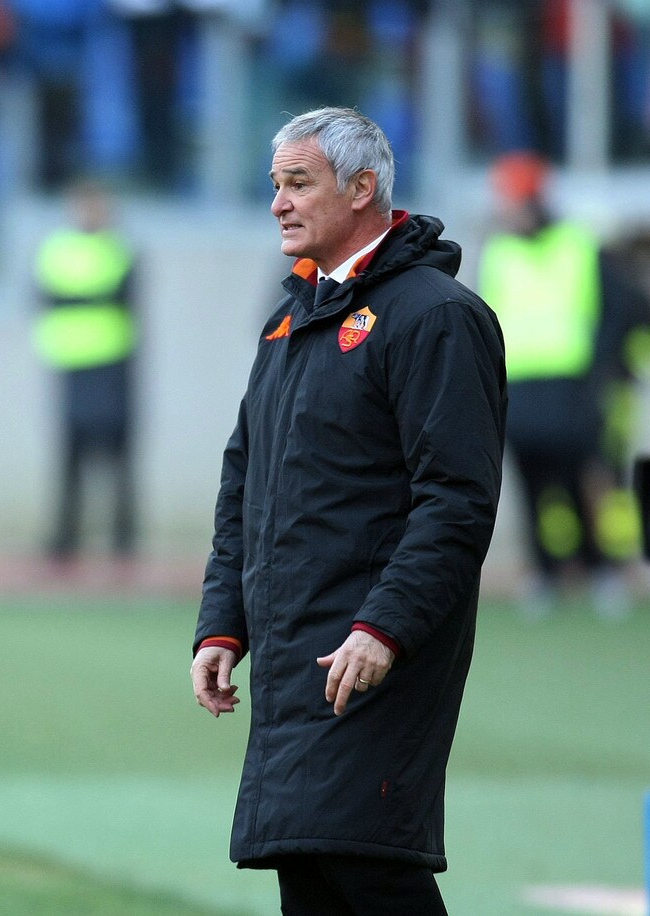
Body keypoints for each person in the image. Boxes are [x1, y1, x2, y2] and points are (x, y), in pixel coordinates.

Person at [190, 107, 506, 915]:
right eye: (275, 185)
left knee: (366, 862)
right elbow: (244, 483)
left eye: (298, 183)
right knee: (310, 866)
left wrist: (384, 627)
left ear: (362, 188)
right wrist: (223, 624)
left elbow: (458, 500)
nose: (278, 204)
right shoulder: (290, 320)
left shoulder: (435, 315)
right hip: (296, 652)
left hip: (373, 649)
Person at [478, 150, 644, 619]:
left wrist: (605, 370)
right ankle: (545, 572)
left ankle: (600, 568)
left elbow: (619, 311)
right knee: (533, 482)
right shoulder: (499, 252)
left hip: (573, 383)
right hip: (519, 383)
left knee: (585, 477)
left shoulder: (580, 245)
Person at [33, 178, 138, 559]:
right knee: (70, 455)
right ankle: (66, 537)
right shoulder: (58, 250)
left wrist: (77, 299)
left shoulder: (118, 249)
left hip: (112, 360)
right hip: (71, 361)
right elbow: (45, 297)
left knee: (118, 452)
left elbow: (123, 298)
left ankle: (123, 537)